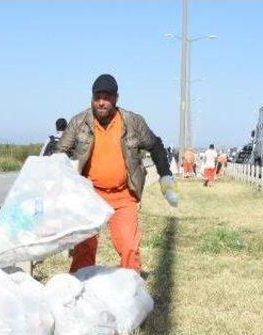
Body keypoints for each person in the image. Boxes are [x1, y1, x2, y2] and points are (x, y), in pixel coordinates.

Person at [57, 74, 178, 273]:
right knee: (84, 248)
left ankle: (132, 294)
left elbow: (155, 146)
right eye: (98, 97)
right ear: (92, 97)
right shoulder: (79, 122)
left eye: (107, 97)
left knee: (129, 247)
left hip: (124, 196)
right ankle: (79, 291)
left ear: (116, 98)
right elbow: (59, 153)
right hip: (90, 195)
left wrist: (166, 177)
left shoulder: (133, 122)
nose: (102, 102)